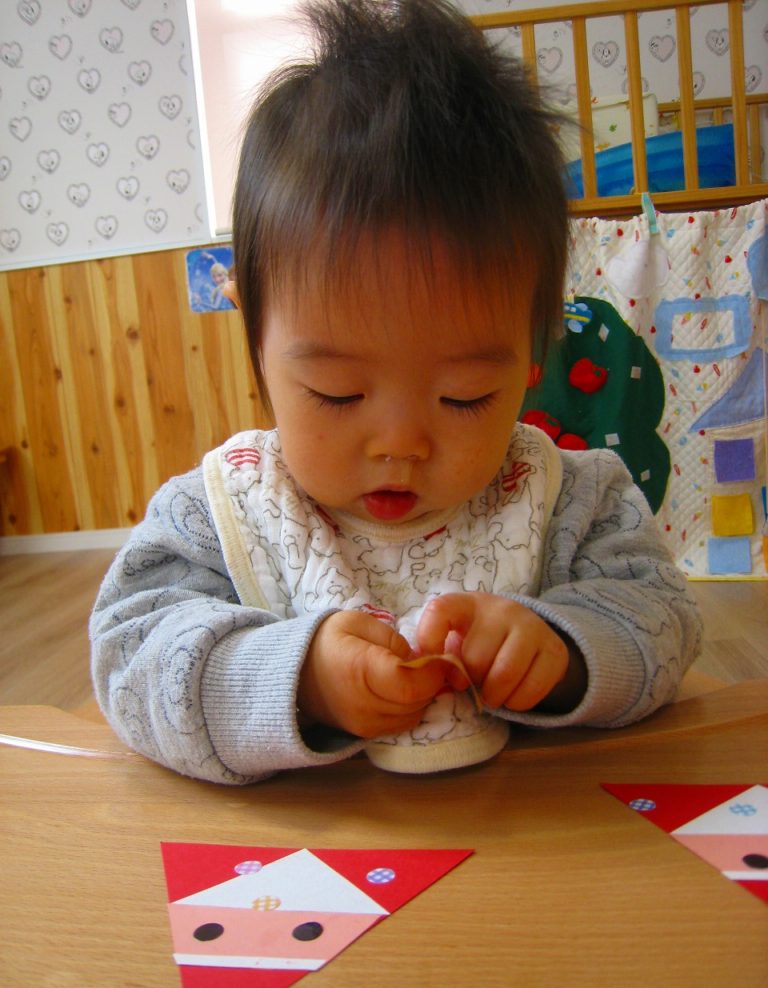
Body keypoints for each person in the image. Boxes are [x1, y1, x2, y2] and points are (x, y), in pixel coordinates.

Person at [90, 0, 702, 784]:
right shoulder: (219, 515)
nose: (400, 444)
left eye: (465, 396)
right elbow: (130, 661)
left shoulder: (574, 501)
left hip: (536, 837)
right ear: (258, 345)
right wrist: (297, 680)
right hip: (306, 849)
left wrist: (565, 653)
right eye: (337, 393)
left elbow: (666, 620)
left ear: (533, 355)